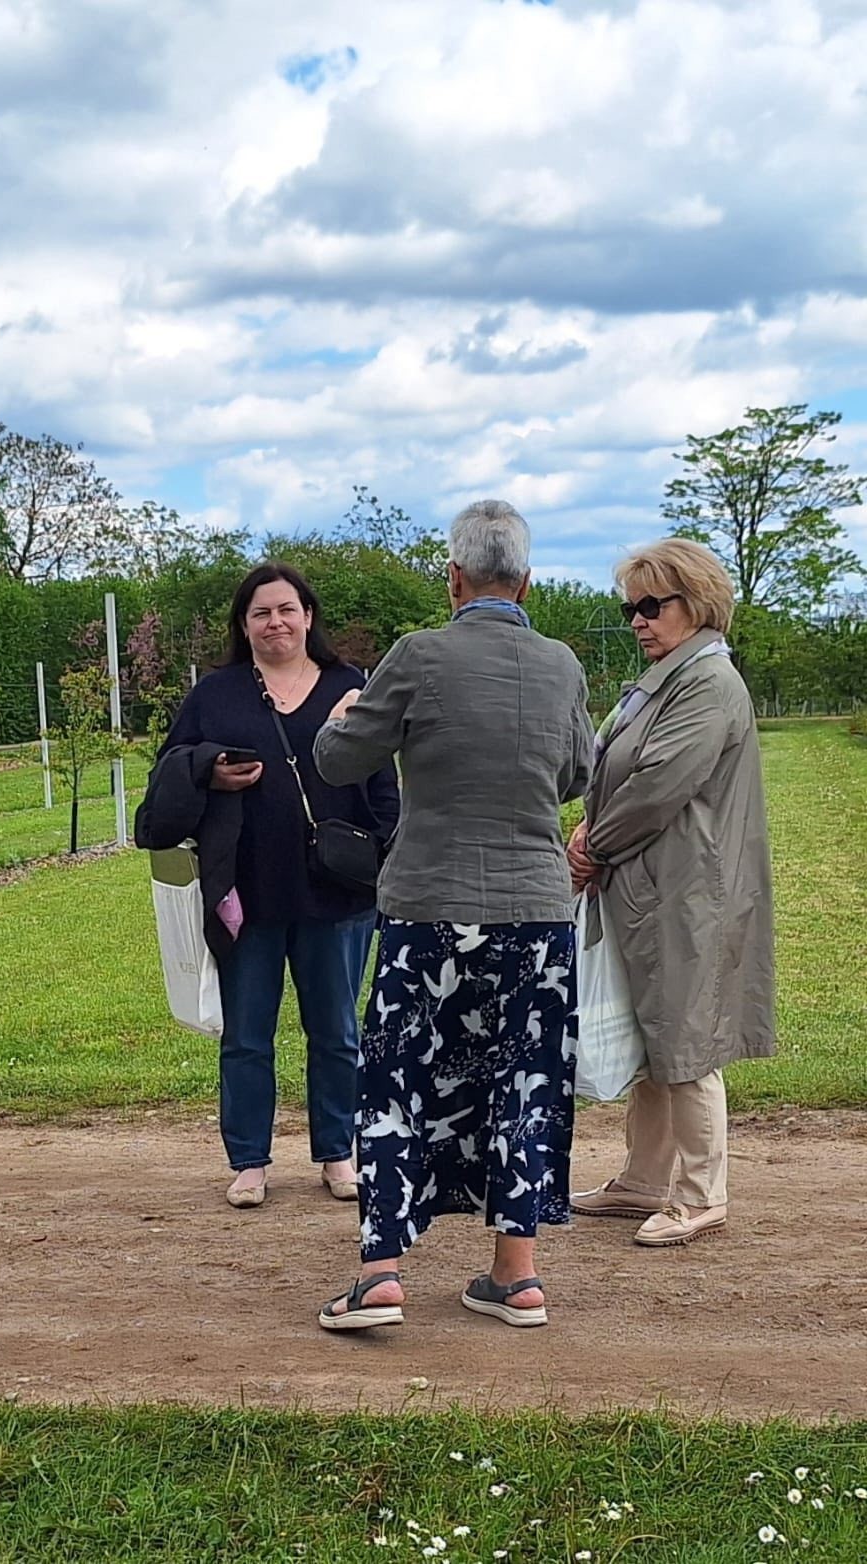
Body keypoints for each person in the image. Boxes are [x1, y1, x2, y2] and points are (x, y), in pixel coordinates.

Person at [313, 501, 593, 1332]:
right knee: (525, 1081)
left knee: (399, 1076)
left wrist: (339, 715)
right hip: (537, 912)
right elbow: (577, 771)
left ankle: (382, 1274)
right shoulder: (562, 666)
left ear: (455, 579)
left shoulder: (417, 657)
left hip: (427, 907)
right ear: (529, 584)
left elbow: (339, 759)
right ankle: (518, 1276)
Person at [150, 563, 400, 1209]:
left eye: (287, 609)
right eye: (261, 613)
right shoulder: (216, 694)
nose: (276, 622)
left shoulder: (351, 685)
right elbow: (166, 778)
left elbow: (382, 784)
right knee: (246, 1035)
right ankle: (250, 1161)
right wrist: (208, 771)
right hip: (247, 894)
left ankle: (338, 1154)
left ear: (308, 616)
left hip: (339, 895)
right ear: (244, 624)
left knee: (338, 1031)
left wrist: (382, 851)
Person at [567, 539, 774, 1247]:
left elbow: (657, 786)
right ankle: (644, 1181)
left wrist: (592, 844)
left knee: (688, 1037)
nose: (638, 620)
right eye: (631, 607)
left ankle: (700, 1193)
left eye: (653, 606)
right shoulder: (669, 676)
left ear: (699, 602)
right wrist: (592, 829)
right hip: (651, 885)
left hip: (688, 891)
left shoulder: (708, 683)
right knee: (654, 1034)